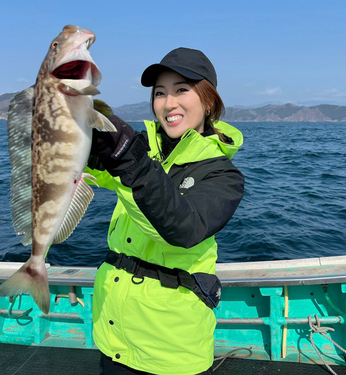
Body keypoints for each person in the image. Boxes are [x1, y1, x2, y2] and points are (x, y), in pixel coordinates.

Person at [85, 47, 245, 375]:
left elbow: (183, 229)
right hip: (112, 337)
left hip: (171, 353)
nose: (168, 103)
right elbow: (95, 170)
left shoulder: (223, 176)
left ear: (209, 100)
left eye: (181, 90)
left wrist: (130, 161)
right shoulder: (145, 150)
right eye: (160, 93)